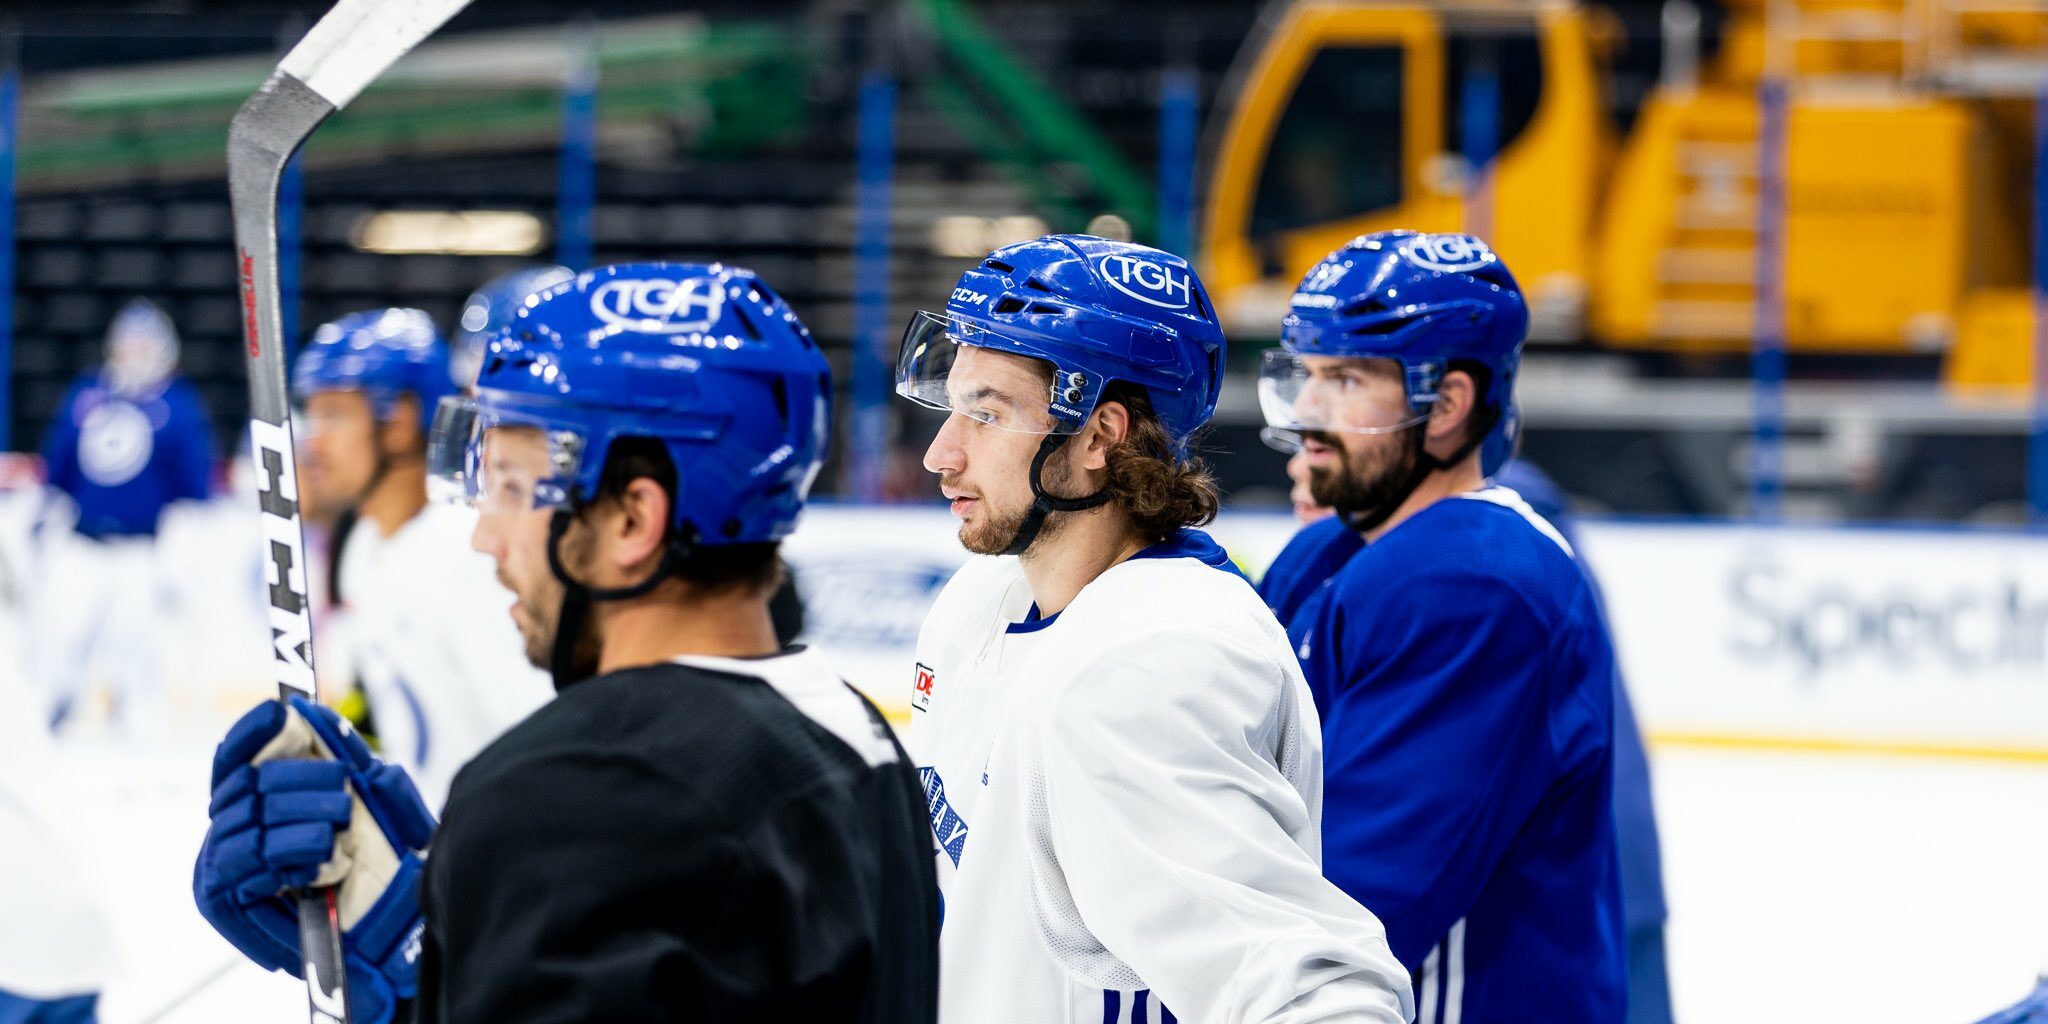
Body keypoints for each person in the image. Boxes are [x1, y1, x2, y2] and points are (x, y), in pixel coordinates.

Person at [192, 262, 937, 1024]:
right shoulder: (864, 744)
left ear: (631, 520)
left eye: (513, 487)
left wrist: (423, 974)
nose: (483, 536)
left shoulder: (570, 793)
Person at [894, 234, 1411, 1023]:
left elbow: (1317, 992)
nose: (941, 453)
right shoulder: (979, 603)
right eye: (953, 405)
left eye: (987, 414)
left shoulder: (1155, 660)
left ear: (1100, 434)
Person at [1254, 230, 1625, 1022]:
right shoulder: (1327, 552)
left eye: (1347, 380)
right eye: (1307, 376)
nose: (1308, 414)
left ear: (1449, 405)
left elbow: (1351, 903)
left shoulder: (1477, 581)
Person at [290, 307, 552, 811]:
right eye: (313, 415)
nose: (313, 442)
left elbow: (533, 736)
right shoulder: (364, 546)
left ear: (400, 421)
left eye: (335, 415)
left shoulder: (469, 554)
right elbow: (390, 707)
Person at [34, 298, 213, 729]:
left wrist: (182, 552)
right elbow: (57, 470)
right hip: (84, 546)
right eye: (129, 343)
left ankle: (139, 738)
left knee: (137, 655)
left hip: (140, 551)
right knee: (62, 643)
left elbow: (194, 489)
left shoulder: (179, 405)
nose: (136, 352)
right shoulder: (87, 395)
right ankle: (52, 729)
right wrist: (42, 523)